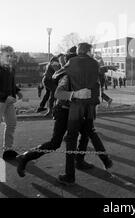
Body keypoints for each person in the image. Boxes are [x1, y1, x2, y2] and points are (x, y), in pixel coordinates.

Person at [16, 50, 95, 178]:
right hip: (63, 111)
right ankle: (25, 157)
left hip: (75, 112)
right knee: (55, 143)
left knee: (85, 134)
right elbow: (58, 93)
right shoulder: (67, 76)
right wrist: (75, 95)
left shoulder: (80, 75)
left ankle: (79, 161)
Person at [53, 43, 113, 185]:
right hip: (91, 106)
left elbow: (57, 75)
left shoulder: (72, 62)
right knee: (90, 131)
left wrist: (61, 69)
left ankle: (70, 176)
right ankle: (105, 160)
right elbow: (99, 73)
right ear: (88, 51)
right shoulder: (94, 63)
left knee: (72, 138)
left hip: (77, 105)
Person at [0, 45, 22, 161]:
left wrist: (17, 92)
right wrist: (5, 97)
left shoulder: (10, 68)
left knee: (12, 124)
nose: (10, 57)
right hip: (1, 101)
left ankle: (7, 150)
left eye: (11, 55)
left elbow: (11, 84)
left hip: (9, 101)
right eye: (7, 55)